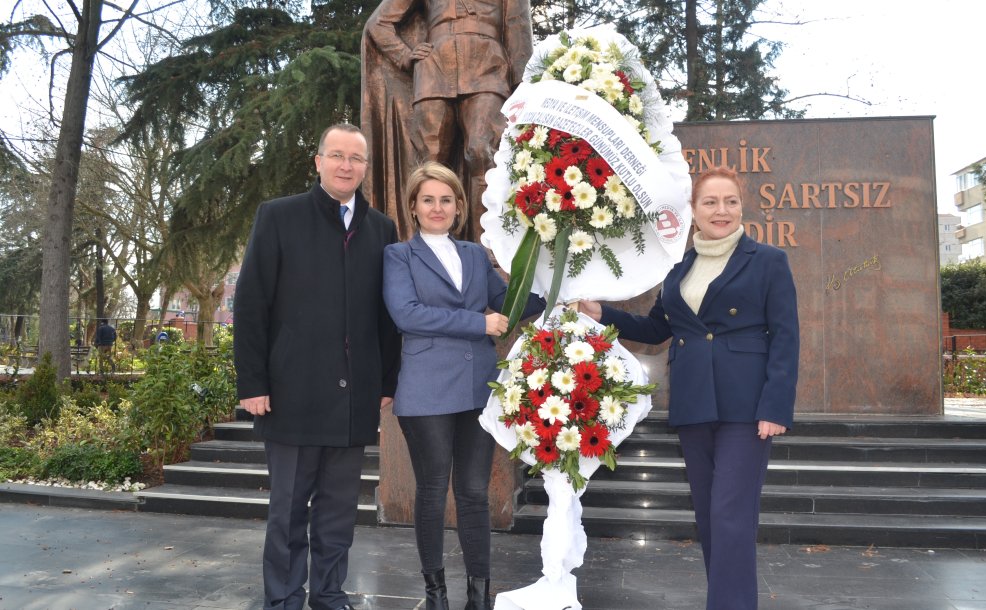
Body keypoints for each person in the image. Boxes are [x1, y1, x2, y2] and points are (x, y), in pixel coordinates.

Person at [579, 166, 799, 610]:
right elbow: (658, 327)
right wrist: (602, 313)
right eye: (711, 202)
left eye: (731, 201)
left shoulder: (768, 260)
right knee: (709, 517)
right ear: (694, 211)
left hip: (746, 405)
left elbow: (786, 337)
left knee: (730, 516)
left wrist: (775, 406)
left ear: (742, 206)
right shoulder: (678, 265)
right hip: (694, 401)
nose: (722, 210)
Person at [233, 123, 401, 610]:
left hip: (354, 400)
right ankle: (284, 598)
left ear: (365, 168)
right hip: (290, 394)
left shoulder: (382, 229)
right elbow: (251, 304)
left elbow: (387, 317)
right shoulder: (278, 217)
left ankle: (329, 593)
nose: (346, 165)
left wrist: (386, 380)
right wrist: (252, 382)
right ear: (319, 161)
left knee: (338, 511)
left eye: (356, 158)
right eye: (337, 155)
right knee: (287, 511)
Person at [382, 162, 542, 610]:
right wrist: (478, 323)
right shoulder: (399, 256)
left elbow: (509, 303)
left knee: (473, 492)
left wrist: (559, 283)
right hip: (426, 389)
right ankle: (435, 594)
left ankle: (478, 595)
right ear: (413, 207)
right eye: (428, 199)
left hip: (476, 389)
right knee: (432, 490)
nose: (437, 207)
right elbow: (407, 314)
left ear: (458, 207)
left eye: (446, 200)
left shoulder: (474, 255)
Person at [362, 0, 532, 241]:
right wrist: (404, 55)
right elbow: (378, 24)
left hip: (488, 66)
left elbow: (518, 30)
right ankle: (427, 247)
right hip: (434, 68)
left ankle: (488, 246)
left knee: (483, 152)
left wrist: (524, 89)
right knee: (430, 163)